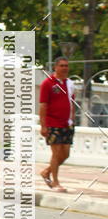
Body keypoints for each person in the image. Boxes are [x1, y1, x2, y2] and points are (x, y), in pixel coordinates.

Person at [39, 57, 75, 192]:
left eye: (66, 65)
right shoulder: (47, 83)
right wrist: (43, 125)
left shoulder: (70, 84)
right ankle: (55, 182)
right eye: (61, 66)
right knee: (56, 153)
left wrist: (72, 119)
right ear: (55, 67)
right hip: (53, 123)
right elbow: (43, 105)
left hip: (67, 124)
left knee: (65, 154)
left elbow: (71, 103)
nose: (64, 68)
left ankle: (46, 171)